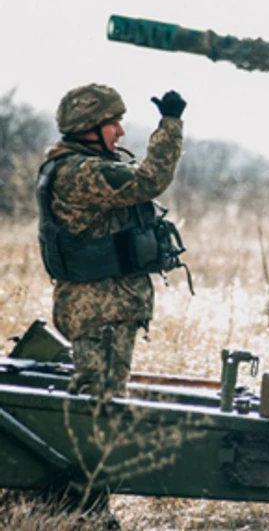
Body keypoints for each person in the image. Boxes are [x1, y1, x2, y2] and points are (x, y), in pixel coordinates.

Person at [38, 84, 188, 399]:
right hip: (100, 311)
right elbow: (149, 181)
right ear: (86, 128)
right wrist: (170, 125)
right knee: (98, 403)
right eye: (112, 123)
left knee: (105, 397)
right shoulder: (81, 172)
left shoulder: (78, 167)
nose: (120, 132)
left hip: (104, 306)